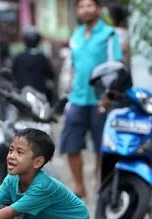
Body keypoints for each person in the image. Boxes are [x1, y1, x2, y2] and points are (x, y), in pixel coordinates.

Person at [59, 0, 123, 199]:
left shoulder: (109, 34)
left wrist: (110, 96)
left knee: (102, 147)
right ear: (78, 11)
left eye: (89, 5)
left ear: (97, 8)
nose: (85, 10)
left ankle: (100, 183)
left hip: (101, 100)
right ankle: (79, 186)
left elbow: (118, 67)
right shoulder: (76, 36)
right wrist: (67, 93)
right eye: (81, 6)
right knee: (70, 143)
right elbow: (71, 67)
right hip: (77, 99)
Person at [12, 27, 55, 104]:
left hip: (23, 93)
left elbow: (13, 72)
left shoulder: (19, 56)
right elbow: (50, 74)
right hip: (37, 94)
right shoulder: (41, 57)